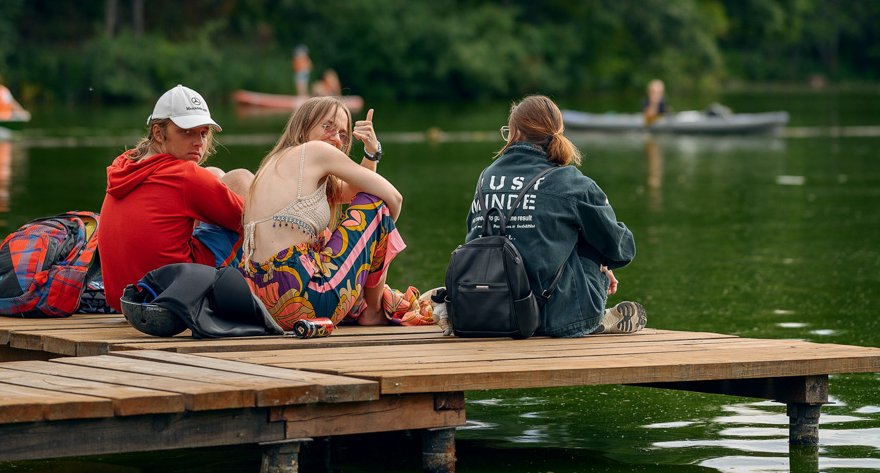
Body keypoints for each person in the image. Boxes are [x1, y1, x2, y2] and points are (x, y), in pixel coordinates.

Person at [237, 97, 431, 329]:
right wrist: (378, 238)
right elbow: (392, 198)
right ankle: (375, 310)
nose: (336, 138)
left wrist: (370, 153)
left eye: (343, 134)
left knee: (331, 232)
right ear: (303, 126)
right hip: (303, 301)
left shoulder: (276, 163)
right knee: (378, 206)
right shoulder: (315, 151)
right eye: (327, 126)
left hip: (256, 303)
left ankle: (369, 304)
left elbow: (353, 190)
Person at [466, 94, 645, 337]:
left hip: (487, 308)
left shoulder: (485, 178)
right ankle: (589, 318)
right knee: (591, 234)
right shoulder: (569, 182)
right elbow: (622, 249)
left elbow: (474, 241)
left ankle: (456, 301)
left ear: (515, 133)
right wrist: (599, 252)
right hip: (551, 318)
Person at [98, 85, 255, 312]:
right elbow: (251, 219)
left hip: (124, 302)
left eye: (203, 133)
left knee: (214, 175)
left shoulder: (124, 166)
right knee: (240, 179)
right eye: (186, 131)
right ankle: (270, 290)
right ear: (159, 133)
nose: (199, 142)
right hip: (172, 302)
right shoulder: (184, 176)